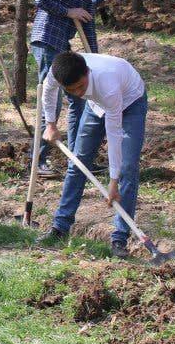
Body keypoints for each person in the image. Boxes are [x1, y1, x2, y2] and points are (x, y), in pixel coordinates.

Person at [36, 51, 148, 259]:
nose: (79, 92)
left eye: (81, 86)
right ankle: (60, 227)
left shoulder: (108, 85)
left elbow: (113, 134)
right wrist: (50, 124)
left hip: (130, 103)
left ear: (87, 71)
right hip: (96, 106)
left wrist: (113, 181)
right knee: (77, 162)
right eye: (72, 90)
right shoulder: (57, 71)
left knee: (127, 169)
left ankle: (119, 238)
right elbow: (49, 91)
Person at [29, 0, 117, 178]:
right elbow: (42, 0)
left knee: (79, 99)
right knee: (51, 97)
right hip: (47, 37)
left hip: (63, 41)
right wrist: (69, 11)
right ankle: (38, 160)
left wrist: (94, 56)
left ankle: (79, 159)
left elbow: (87, 20)